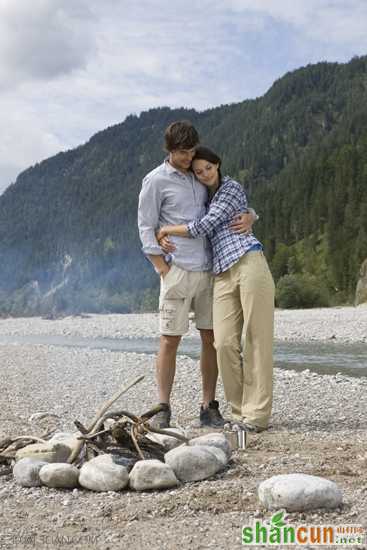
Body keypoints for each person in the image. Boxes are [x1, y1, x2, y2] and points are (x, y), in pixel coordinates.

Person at [137, 121, 255, 429]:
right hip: (177, 270)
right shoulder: (155, 180)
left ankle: (208, 406)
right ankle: (163, 406)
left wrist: (252, 216)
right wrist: (162, 268)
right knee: (169, 339)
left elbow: (230, 202)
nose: (189, 158)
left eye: (191, 151)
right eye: (182, 153)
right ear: (169, 150)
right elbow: (146, 226)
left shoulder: (201, 174)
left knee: (211, 338)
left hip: (209, 269)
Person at [156, 146, 275, 432]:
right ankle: (238, 411)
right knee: (221, 343)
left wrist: (166, 230)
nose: (204, 174)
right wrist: (252, 214)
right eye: (198, 171)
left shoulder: (231, 187)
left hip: (248, 261)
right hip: (220, 273)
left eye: (208, 168)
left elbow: (204, 226)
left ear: (218, 164)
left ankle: (256, 416)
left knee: (256, 339)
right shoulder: (205, 198)